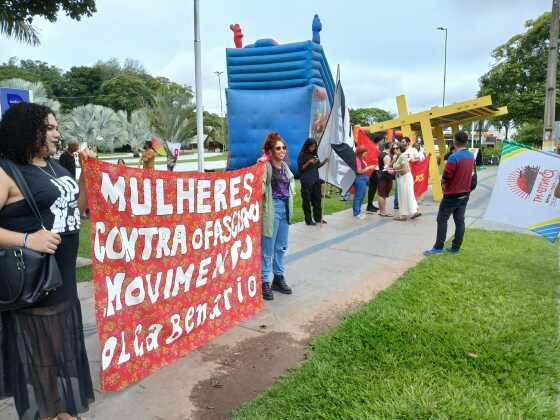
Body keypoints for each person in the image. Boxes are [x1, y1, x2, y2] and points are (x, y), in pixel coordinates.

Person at [0, 102, 95, 420]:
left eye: (57, 127)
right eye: (50, 128)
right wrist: (29, 239)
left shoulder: (55, 167)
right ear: (29, 131)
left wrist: (85, 177)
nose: (58, 133)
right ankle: (50, 413)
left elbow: (76, 211)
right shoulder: (8, 172)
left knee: (55, 350)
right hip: (37, 277)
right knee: (43, 353)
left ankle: (57, 410)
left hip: (63, 275)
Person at [425, 131, 475, 255]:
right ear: (466, 142)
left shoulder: (453, 157)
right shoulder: (471, 156)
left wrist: (443, 183)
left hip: (452, 194)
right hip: (465, 194)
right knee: (459, 220)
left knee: (442, 219)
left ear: (454, 141)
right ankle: (455, 247)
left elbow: (447, 175)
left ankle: (438, 247)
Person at [260, 132, 295, 300]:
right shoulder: (265, 167)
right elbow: (258, 189)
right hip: (271, 209)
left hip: (285, 210)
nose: (282, 151)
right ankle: (264, 281)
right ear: (271, 151)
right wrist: (261, 162)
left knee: (281, 247)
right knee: (268, 248)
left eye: (284, 147)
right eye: (278, 148)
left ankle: (278, 278)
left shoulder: (285, 167)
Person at [297, 138, 328, 225]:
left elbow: (317, 166)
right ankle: (308, 220)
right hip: (306, 181)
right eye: (311, 146)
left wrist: (324, 162)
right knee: (307, 201)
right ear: (307, 146)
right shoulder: (302, 155)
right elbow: (301, 169)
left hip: (315, 180)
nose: (313, 148)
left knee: (317, 200)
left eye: (314, 146)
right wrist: (308, 162)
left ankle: (318, 218)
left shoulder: (315, 155)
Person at [390, 144, 420, 221]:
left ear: (400, 148)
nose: (395, 150)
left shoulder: (402, 156)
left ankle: (404, 215)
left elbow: (405, 169)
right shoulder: (397, 157)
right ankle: (414, 211)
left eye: (397, 148)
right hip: (401, 178)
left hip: (405, 177)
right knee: (408, 195)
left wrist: (393, 171)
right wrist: (392, 163)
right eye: (393, 148)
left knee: (404, 196)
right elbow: (391, 165)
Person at [353, 146, 376, 220]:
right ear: (361, 152)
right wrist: (368, 168)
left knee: (362, 196)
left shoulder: (361, 159)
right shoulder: (357, 159)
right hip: (360, 179)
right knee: (359, 196)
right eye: (365, 152)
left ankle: (358, 211)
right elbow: (359, 171)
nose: (366, 154)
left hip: (363, 179)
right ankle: (356, 213)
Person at [366, 133, 383, 213]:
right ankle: (369, 205)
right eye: (382, 140)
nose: (383, 141)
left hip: (376, 170)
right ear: (379, 140)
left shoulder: (377, 147)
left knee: (373, 188)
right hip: (373, 170)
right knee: (372, 188)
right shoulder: (374, 147)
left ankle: (370, 204)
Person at [377, 142, 394, 217]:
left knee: (381, 194)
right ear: (390, 147)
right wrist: (394, 170)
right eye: (394, 147)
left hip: (381, 176)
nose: (395, 149)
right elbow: (387, 169)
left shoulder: (381, 154)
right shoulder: (387, 156)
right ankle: (383, 211)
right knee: (382, 195)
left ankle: (381, 211)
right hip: (385, 177)